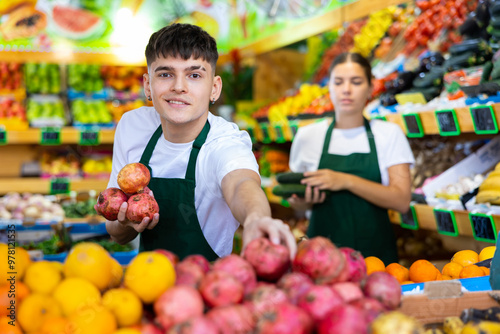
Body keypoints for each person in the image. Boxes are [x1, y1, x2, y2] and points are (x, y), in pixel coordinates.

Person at [104, 23, 296, 261]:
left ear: (214, 88)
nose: (179, 87)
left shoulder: (224, 141)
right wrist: (127, 222)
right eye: (165, 74)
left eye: (194, 75)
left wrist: (257, 219)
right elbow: (116, 234)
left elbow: (240, 184)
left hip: (209, 288)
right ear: (147, 86)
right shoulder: (132, 128)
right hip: (147, 282)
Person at [287, 52, 414, 265]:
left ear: (371, 88)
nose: (346, 90)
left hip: (375, 260)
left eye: (356, 82)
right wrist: (303, 201)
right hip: (321, 261)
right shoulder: (308, 137)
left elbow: (401, 201)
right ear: (329, 88)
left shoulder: (389, 134)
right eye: (338, 82)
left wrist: (345, 181)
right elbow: (296, 201)